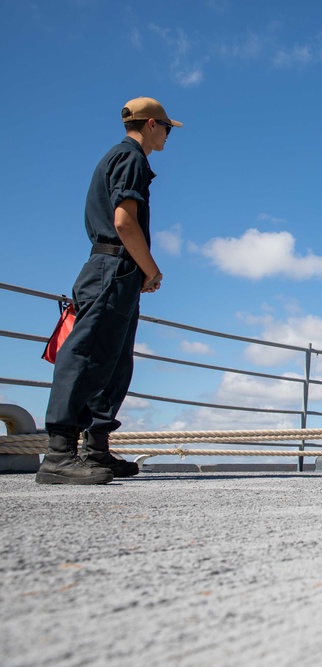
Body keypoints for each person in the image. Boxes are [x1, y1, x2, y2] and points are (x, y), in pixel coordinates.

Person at [37, 97, 181, 485]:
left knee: (113, 361)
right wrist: (150, 270)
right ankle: (58, 454)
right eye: (167, 127)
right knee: (86, 355)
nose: (169, 135)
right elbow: (124, 222)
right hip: (112, 268)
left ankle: (96, 449)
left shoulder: (120, 158)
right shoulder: (131, 158)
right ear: (151, 124)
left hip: (116, 271)